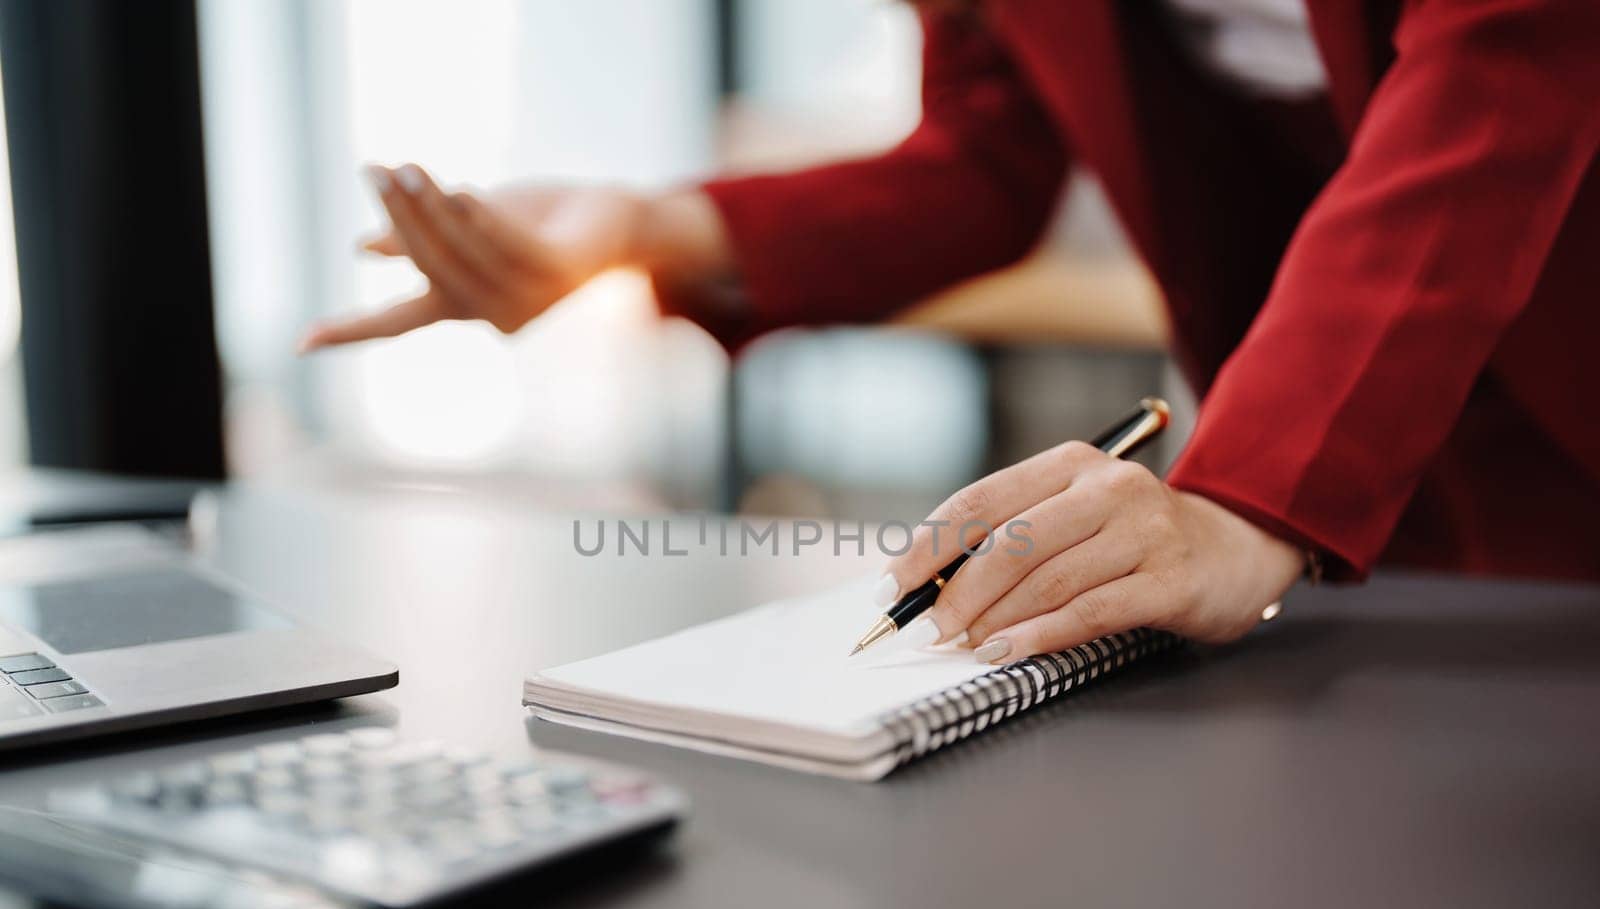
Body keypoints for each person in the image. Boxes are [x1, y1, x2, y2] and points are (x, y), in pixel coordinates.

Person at [302, 0, 1600, 665]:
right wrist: (642, 229)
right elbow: (989, 152)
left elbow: (1505, 79)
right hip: (1353, 447)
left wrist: (1248, 497)